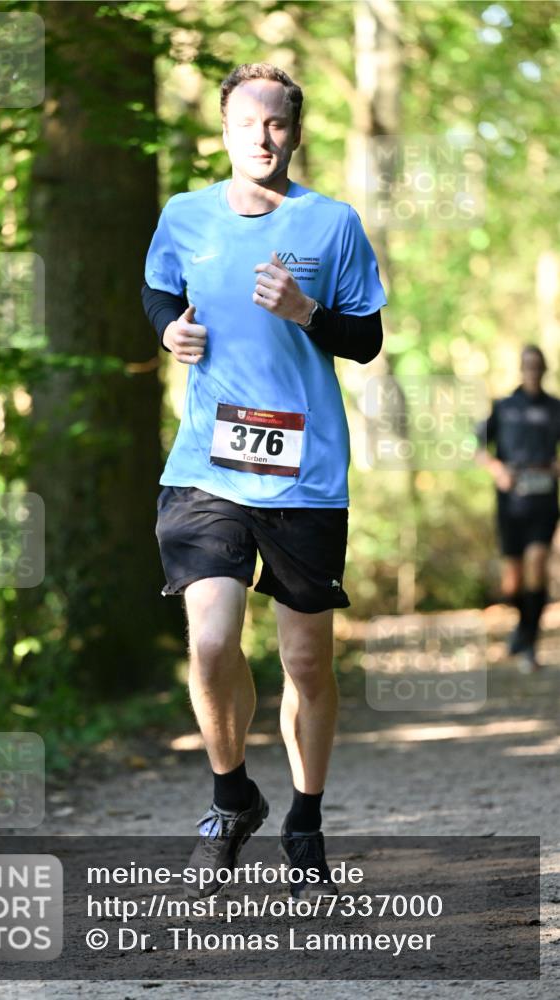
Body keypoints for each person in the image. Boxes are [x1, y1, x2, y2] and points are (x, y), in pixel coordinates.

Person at [141, 63, 387, 899]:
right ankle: (229, 795)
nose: (261, 135)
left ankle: (305, 818)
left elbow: (366, 341)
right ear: (223, 129)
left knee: (306, 665)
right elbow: (156, 292)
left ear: (294, 131)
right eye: (246, 121)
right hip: (207, 467)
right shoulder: (185, 216)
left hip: (304, 477)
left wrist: (307, 315)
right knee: (210, 643)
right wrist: (170, 330)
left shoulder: (332, 225)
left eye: (276, 122)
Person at [476, 345, 560, 673]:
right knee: (513, 581)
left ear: (544, 369)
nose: (532, 371)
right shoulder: (504, 407)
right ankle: (522, 629)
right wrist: (497, 469)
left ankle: (528, 642)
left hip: (543, 500)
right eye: (527, 366)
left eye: (538, 366)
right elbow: (478, 446)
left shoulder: (555, 408)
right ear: (521, 369)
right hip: (511, 503)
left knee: (537, 561)